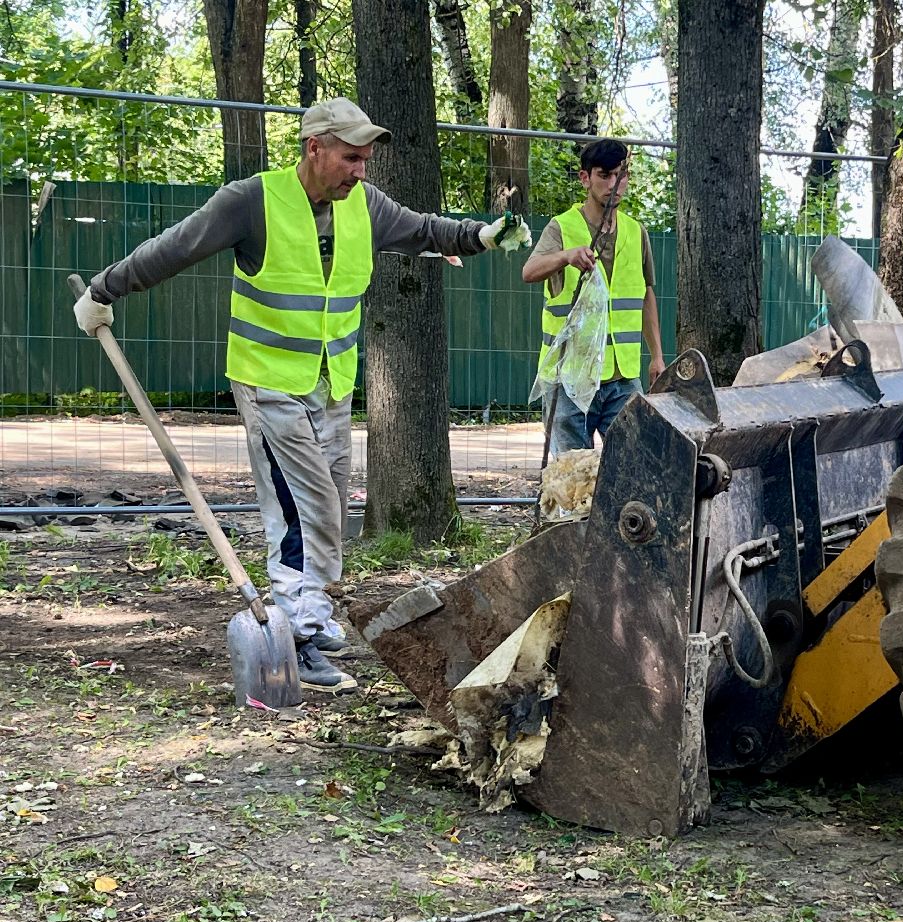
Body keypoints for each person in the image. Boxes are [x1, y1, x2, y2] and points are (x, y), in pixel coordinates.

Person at [73, 97, 529, 694]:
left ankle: (309, 608)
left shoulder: (363, 204)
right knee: (300, 510)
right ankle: (300, 636)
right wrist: (104, 290)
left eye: (365, 160)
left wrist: (480, 235)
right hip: (269, 384)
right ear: (314, 148)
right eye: (349, 158)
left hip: (330, 381)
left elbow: (422, 230)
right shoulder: (252, 202)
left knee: (330, 508)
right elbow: (174, 248)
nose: (359, 171)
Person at [521, 138, 664, 454]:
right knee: (572, 479)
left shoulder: (635, 231)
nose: (613, 184)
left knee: (634, 466)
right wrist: (565, 256)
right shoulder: (562, 227)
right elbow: (529, 272)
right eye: (604, 175)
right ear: (585, 178)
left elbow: (645, 295)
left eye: (620, 175)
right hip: (569, 377)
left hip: (623, 377)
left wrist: (656, 355)